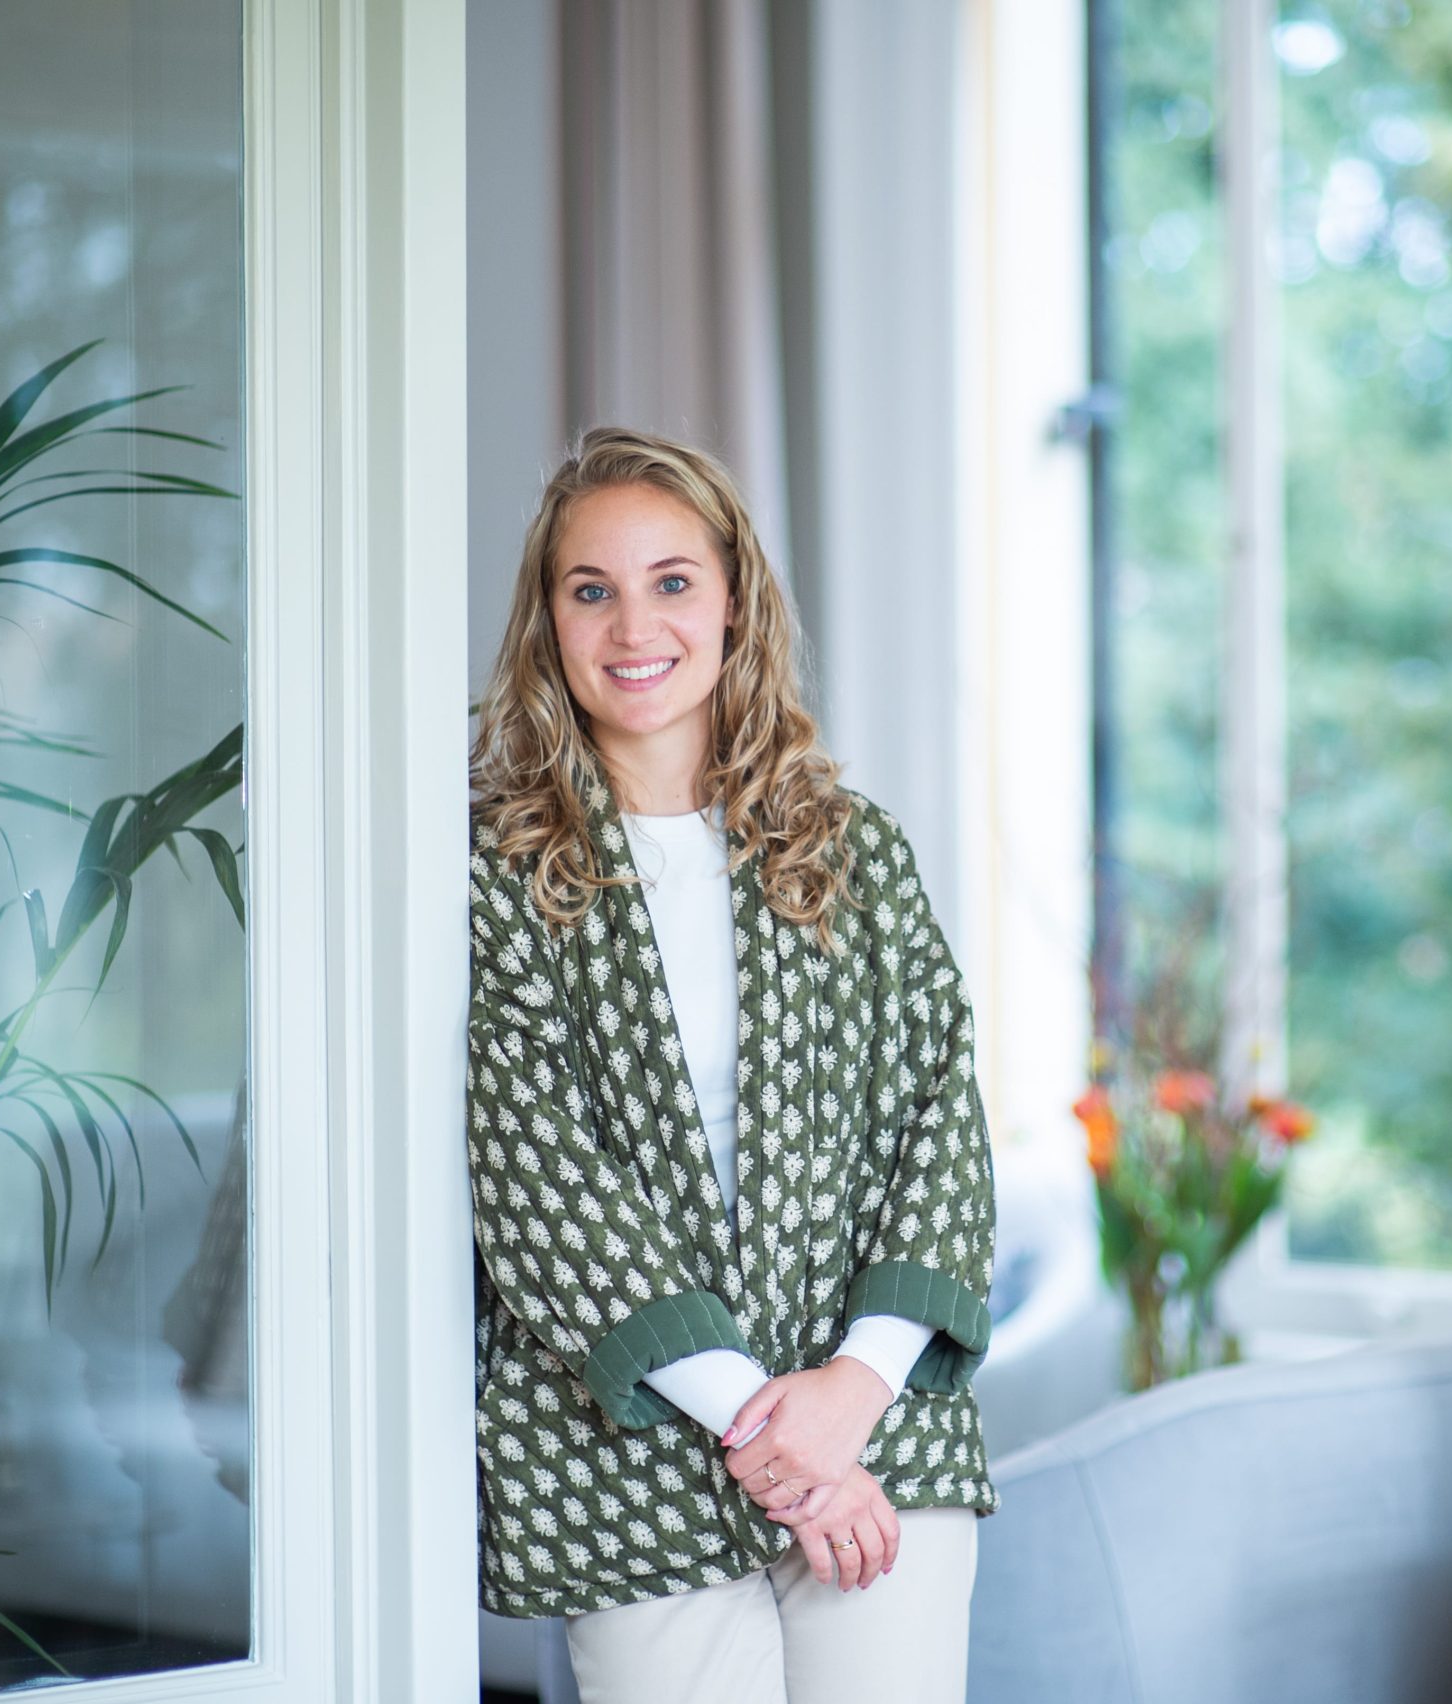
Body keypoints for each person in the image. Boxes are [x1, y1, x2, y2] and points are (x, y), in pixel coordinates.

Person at [465, 424, 999, 1703]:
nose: (632, 625)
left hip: (877, 1421)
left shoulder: (852, 851)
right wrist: (764, 1425)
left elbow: (939, 1121)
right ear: (547, 622)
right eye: (589, 589)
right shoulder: (492, 875)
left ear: (733, 602)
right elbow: (536, 1175)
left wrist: (850, 1392)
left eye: (671, 581)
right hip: (626, 1440)